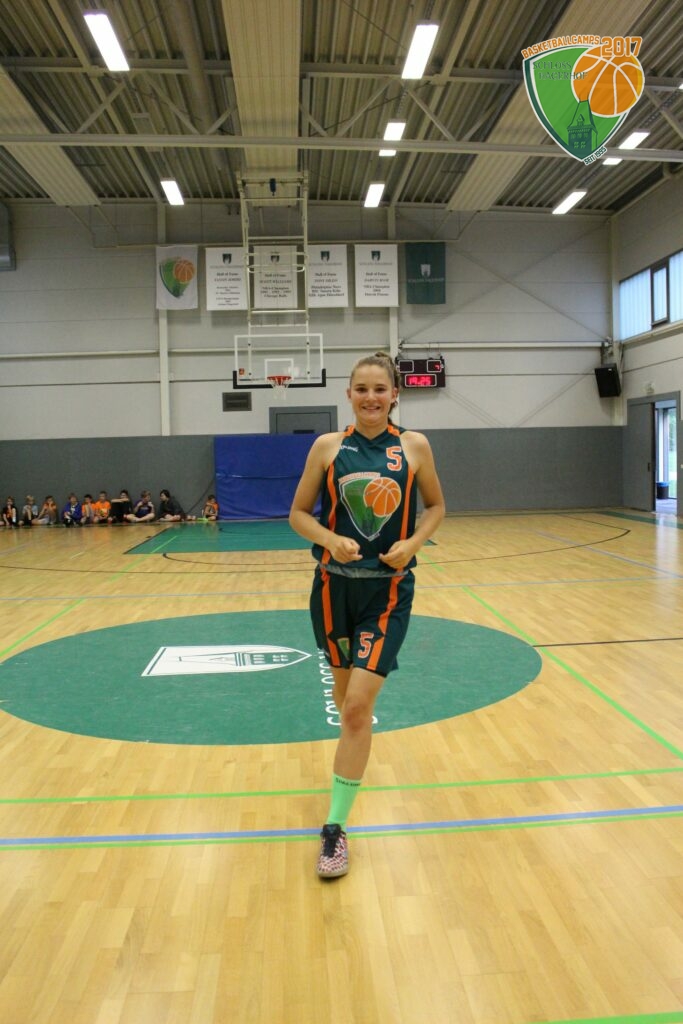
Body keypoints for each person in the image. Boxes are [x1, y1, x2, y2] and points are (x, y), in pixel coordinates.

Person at [289, 351, 445, 879]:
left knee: (356, 708)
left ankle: (334, 828)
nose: (371, 397)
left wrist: (414, 543)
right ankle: (349, 770)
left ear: (395, 394)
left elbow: (436, 507)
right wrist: (329, 538)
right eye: (362, 389)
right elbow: (297, 514)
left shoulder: (414, 446)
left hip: (388, 592)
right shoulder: (327, 447)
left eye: (380, 389)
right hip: (333, 591)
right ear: (349, 395)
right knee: (345, 703)